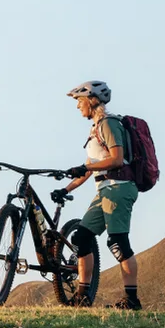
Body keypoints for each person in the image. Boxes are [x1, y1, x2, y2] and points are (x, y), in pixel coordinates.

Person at [61, 79, 142, 311]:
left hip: (119, 187)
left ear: (92, 100)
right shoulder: (95, 128)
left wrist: (86, 168)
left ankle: (132, 300)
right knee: (82, 238)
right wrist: (65, 189)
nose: (78, 106)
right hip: (104, 189)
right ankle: (83, 296)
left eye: (80, 101)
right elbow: (90, 167)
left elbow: (116, 159)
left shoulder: (108, 124)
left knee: (118, 242)